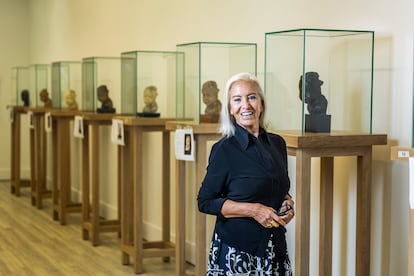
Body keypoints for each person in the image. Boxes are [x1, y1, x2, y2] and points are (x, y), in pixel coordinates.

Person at [197, 72, 295, 275]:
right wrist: (254, 210)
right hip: (237, 251)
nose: (246, 105)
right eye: (237, 99)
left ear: (261, 103)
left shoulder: (278, 144)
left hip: (274, 247)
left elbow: (278, 189)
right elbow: (205, 201)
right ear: (230, 108)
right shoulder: (224, 150)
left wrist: (288, 203)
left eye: (251, 97)